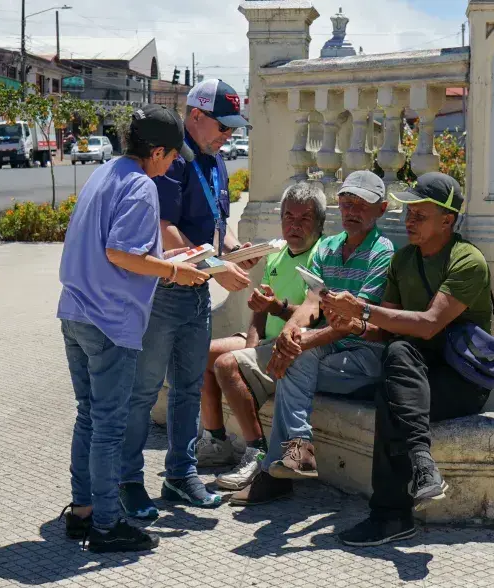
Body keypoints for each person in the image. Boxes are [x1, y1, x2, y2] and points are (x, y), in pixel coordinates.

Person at [56, 106, 208, 553]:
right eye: (171, 157)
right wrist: (175, 273)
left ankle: (82, 512)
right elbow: (122, 253)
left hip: (75, 312)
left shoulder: (105, 173)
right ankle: (106, 526)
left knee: (88, 416)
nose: (172, 166)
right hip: (109, 320)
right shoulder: (143, 186)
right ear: (156, 151)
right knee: (108, 426)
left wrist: (167, 260)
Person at [322, 172, 494, 547]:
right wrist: (349, 322)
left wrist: (364, 309)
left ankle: (390, 515)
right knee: (396, 357)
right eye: (408, 212)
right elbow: (386, 330)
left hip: (462, 380)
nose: (409, 220)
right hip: (415, 374)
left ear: (447, 221)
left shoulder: (468, 261)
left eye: (420, 214)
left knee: (391, 395)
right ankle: (421, 464)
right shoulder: (403, 261)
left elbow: (430, 324)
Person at [120, 78, 261, 516]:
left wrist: (236, 249)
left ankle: (181, 476)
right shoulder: (171, 158)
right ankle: (126, 480)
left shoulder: (215, 160)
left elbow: (217, 223)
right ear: (195, 117)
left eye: (234, 128)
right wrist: (219, 268)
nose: (228, 135)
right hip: (164, 292)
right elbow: (164, 230)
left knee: (186, 387)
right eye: (223, 125)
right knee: (144, 388)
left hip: (196, 290)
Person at [231, 170, 395, 507]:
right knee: (287, 356)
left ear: (382, 209)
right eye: (347, 202)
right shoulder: (330, 248)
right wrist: (289, 335)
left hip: (363, 356)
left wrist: (298, 344)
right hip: (327, 351)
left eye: (363, 205)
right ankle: (292, 457)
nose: (352, 211)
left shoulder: (383, 252)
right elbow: (310, 303)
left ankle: (281, 466)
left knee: (294, 362)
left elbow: (352, 322)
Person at [195, 182, 326, 491]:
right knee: (203, 353)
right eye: (288, 216)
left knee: (227, 364)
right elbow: (259, 310)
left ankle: (257, 454)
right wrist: (251, 351)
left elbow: (315, 312)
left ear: (319, 223)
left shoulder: (323, 253)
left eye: (304, 219)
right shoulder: (276, 256)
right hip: (265, 341)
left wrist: (246, 357)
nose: (294, 225)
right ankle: (215, 441)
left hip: (294, 345)